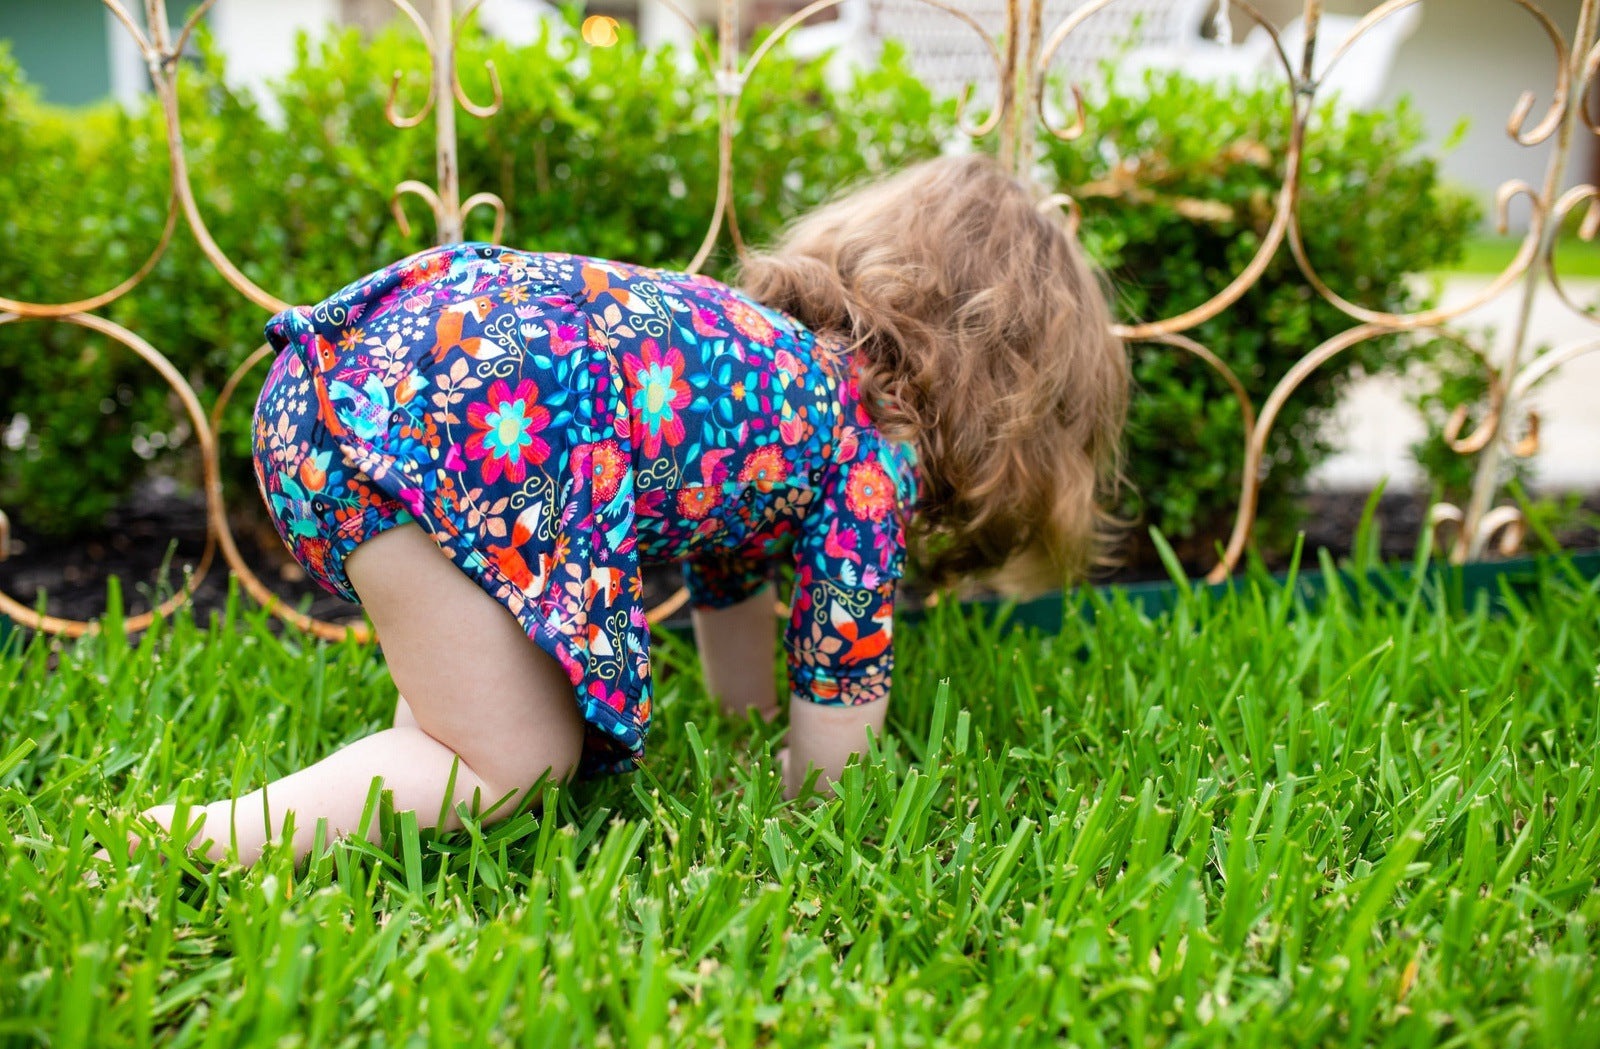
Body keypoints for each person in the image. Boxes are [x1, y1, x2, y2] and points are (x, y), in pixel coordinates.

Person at [114, 153, 1127, 867]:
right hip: (468, 418)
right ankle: (197, 838)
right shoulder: (865, 453)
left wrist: (746, 717)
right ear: (1012, 400)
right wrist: (827, 789)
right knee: (515, 760)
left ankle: (412, 758)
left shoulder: (764, 370)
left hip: (342, 387)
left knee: (466, 710)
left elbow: (728, 572)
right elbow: (842, 653)